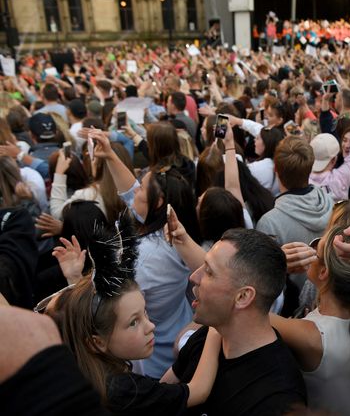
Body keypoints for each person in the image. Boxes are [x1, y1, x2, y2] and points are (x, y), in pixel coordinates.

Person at [57, 229, 221, 415]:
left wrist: (75, 280)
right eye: (133, 322)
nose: (151, 326)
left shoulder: (93, 370)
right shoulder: (124, 390)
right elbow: (198, 392)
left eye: (145, 312)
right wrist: (217, 326)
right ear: (98, 342)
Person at [89, 128, 200, 379]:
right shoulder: (171, 229)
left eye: (142, 189)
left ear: (157, 202)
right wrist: (109, 154)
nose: (136, 190)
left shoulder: (144, 256)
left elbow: (107, 299)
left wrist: (75, 278)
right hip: (174, 325)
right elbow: (131, 191)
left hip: (151, 356)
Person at [165, 228, 308, 415]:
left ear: (243, 296)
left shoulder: (277, 398)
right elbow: (162, 395)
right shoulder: (209, 334)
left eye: (209, 271)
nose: (194, 277)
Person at [270, 222, 350, 415]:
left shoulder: (312, 336)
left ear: (323, 272)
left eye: (316, 250)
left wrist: (274, 265)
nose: (310, 250)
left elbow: (244, 311)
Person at [309, 132, 350, 201]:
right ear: (334, 159)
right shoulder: (340, 179)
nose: (347, 145)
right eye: (344, 140)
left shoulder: (301, 180)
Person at [247, 127, 283, 196]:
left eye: (257, 138)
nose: (254, 140)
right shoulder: (283, 163)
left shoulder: (256, 167)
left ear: (266, 144)